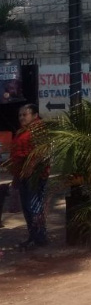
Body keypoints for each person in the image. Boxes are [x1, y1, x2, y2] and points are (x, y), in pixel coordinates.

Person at [5, 104, 49, 249]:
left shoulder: (38, 129)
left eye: (25, 114)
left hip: (35, 175)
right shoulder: (22, 131)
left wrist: (30, 168)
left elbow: (41, 152)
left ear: (35, 115)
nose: (22, 117)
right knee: (27, 208)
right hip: (23, 174)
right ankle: (33, 237)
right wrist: (16, 177)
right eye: (20, 115)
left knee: (34, 207)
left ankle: (40, 239)